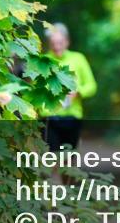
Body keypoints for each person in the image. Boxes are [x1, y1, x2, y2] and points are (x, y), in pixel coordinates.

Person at [40, 23, 97, 152]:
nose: (56, 46)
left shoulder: (78, 59)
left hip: (72, 116)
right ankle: (54, 172)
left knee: (69, 161)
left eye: (60, 42)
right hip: (49, 117)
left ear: (67, 42)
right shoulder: (42, 61)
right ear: (49, 43)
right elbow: (35, 90)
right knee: (52, 159)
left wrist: (78, 92)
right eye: (53, 43)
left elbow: (91, 86)